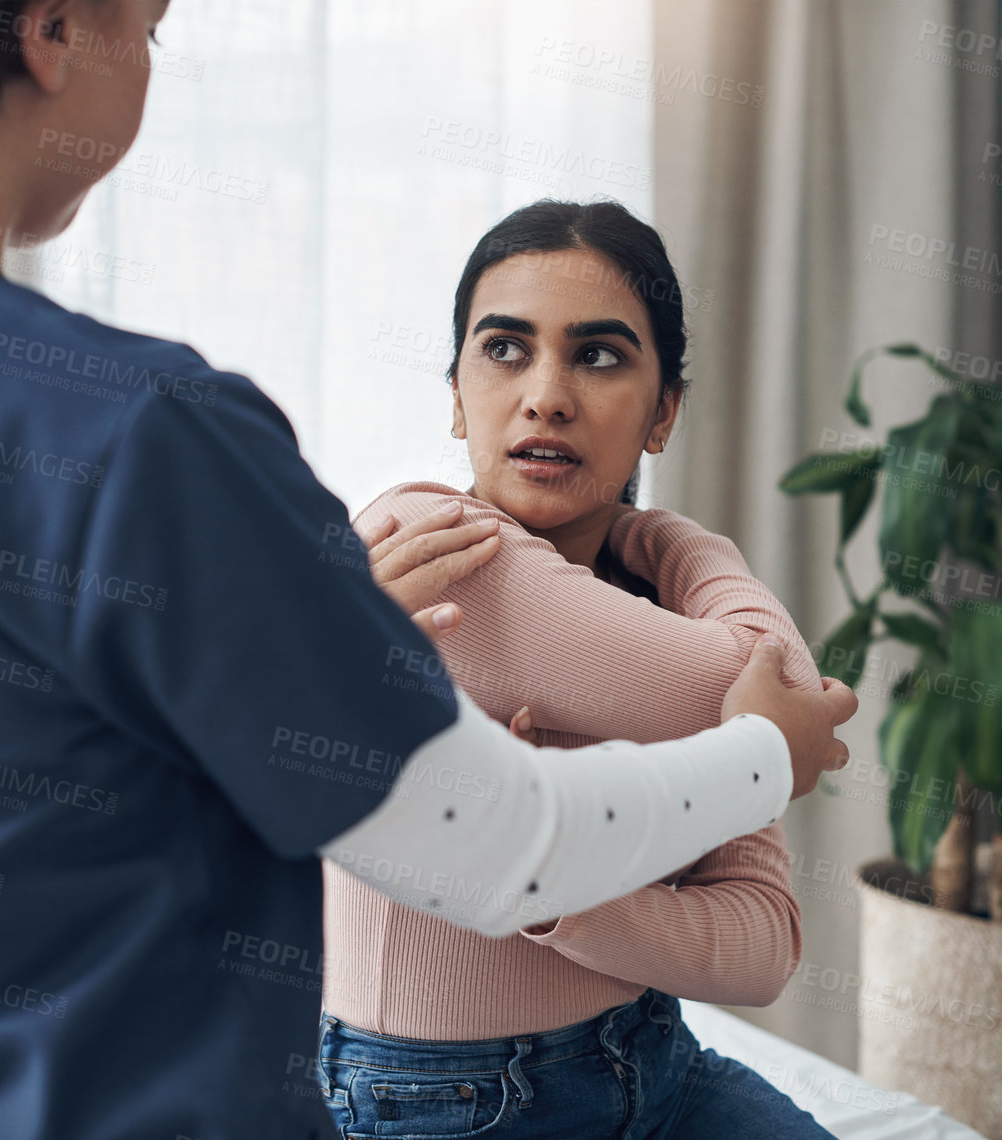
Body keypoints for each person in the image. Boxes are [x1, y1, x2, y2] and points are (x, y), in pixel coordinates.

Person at [0, 4, 855, 1138]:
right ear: (50, 33)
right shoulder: (131, 429)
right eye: (152, 28)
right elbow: (500, 847)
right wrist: (762, 755)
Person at [318, 200, 840, 1138]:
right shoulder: (432, 547)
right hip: (446, 1101)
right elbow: (787, 704)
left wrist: (550, 883)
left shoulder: (658, 599)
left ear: (663, 413)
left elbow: (761, 949)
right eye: (504, 349)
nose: (545, 394)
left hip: (650, 1060)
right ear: (454, 392)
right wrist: (693, 551)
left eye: (598, 355)